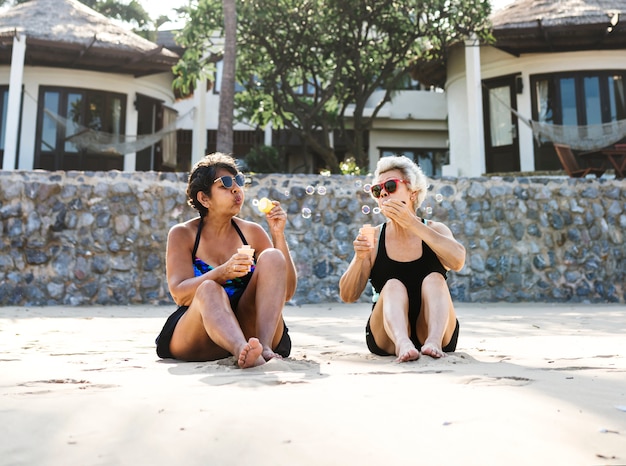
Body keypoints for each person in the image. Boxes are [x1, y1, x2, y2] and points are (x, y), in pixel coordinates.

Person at [156, 153, 297, 368]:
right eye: (226, 183)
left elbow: (286, 293)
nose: (236, 189)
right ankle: (242, 350)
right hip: (199, 333)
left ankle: (264, 349)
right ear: (204, 198)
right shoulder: (183, 234)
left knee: (273, 256)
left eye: (238, 181)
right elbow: (179, 294)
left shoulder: (253, 232)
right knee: (209, 288)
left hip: (250, 332)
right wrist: (222, 272)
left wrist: (278, 235)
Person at [339, 156, 465, 362]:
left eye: (390, 185)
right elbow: (348, 295)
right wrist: (360, 258)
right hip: (387, 336)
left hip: (439, 332)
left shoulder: (435, 230)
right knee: (392, 285)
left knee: (435, 278)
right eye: (377, 190)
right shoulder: (374, 237)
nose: (384, 193)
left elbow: (458, 261)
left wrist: (412, 224)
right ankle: (403, 343)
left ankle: (432, 342)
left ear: (413, 193)